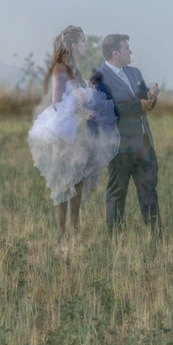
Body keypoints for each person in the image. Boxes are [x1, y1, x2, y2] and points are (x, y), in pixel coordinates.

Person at [28, 26, 120, 243]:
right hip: (63, 134)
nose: (86, 46)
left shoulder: (75, 69)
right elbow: (56, 102)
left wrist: (88, 108)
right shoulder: (60, 69)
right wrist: (78, 104)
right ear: (74, 45)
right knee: (62, 184)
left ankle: (74, 230)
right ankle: (62, 237)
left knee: (78, 182)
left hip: (78, 133)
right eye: (83, 42)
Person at [92, 34, 161, 235]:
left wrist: (151, 97)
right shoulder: (99, 79)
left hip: (143, 143)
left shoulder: (135, 72)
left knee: (149, 190)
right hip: (119, 146)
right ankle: (115, 241)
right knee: (117, 194)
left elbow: (145, 101)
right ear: (115, 53)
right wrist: (137, 105)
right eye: (126, 49)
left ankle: (156, 236)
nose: (130, 52)